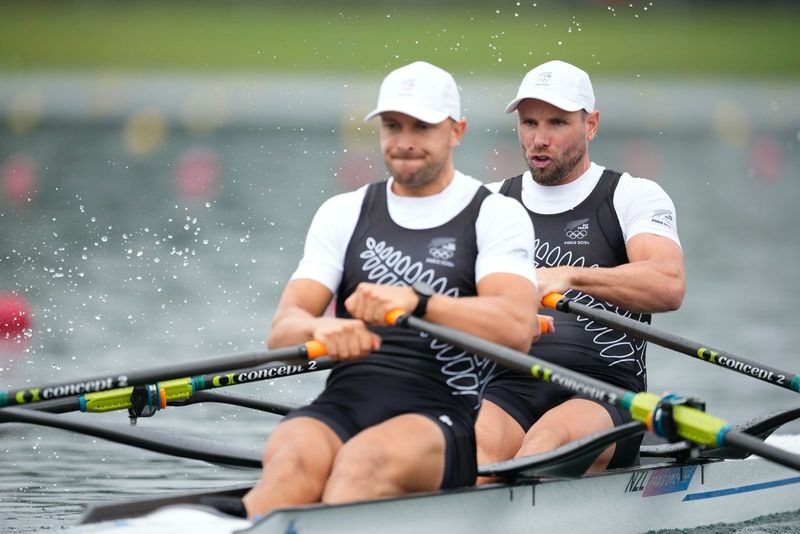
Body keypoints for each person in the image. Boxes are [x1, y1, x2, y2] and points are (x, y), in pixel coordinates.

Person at [241, 61, 541, 518]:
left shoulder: (494, 215)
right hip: (342, 403)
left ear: (456, 131)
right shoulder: (343, 212)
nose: (404, 141)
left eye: (421, 127)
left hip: (439, 416)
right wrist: (322, 330)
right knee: (289, 468)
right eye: (392, 126)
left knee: (361, 467)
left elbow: (517, 328)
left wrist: (418, 302)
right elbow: (283, 329)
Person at [476, 60, 685, 477]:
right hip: (509, 386)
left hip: (605, 394)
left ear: (591, 125)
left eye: (557, 123)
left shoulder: (631, 195)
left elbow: (668, 284)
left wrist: (568, 275)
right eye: (529, 122)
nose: (539, 138)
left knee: (542, 450)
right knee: (469, 457)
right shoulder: (488, 202)